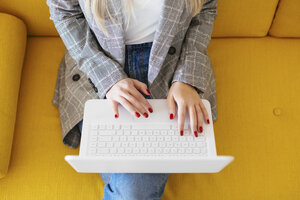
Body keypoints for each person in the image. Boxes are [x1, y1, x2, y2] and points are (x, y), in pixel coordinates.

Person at [47, 0, 218, 199]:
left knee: (132, 190)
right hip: (98, 61)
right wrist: (108, 78)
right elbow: (63, 11)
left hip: (172, 67)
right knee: (132, 191)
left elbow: (206, 8)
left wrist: (187, 78)